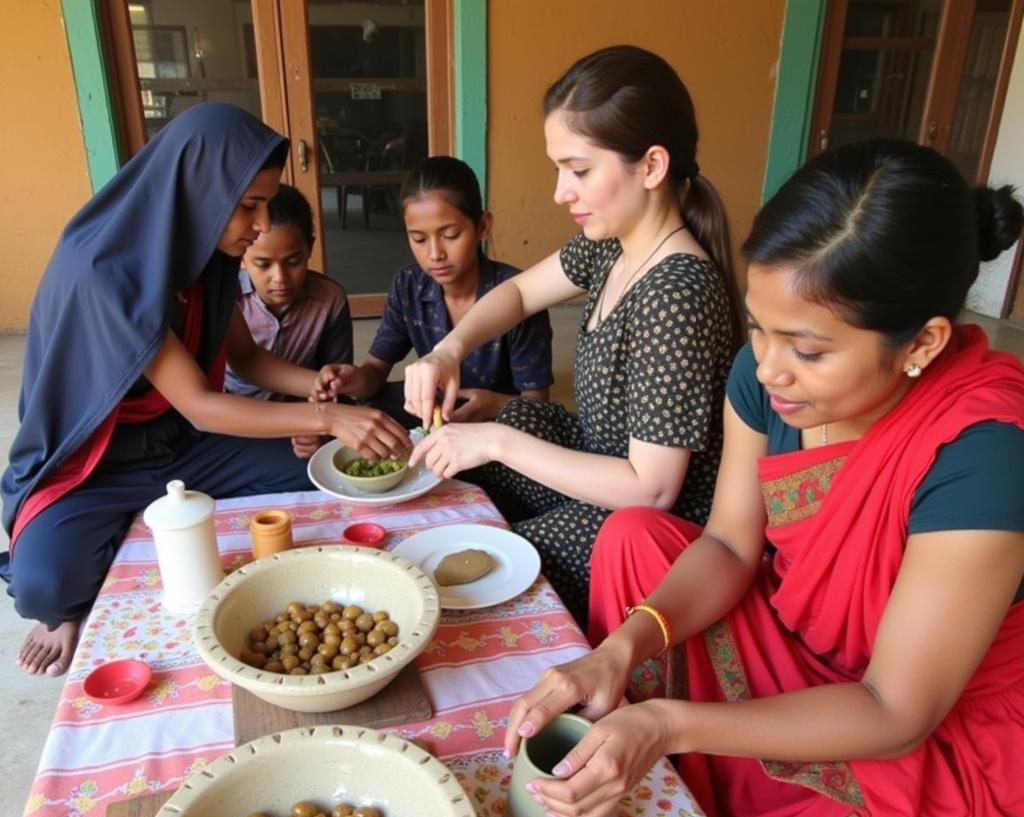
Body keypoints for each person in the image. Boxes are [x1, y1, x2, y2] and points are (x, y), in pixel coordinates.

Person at [503, 138, 1024, 817]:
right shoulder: (768, 375)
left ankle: (734, 781)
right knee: (636, 540)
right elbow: (732, 548)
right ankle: (715, 762)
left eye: (809, 350)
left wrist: (667, 722)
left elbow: (897, 712)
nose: (768, 368)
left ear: (923, 343)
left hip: (915, 713)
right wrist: (621, 649)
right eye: (758, 329)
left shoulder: (985, 452)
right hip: (807, 649)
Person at [1, 102, 410, 677]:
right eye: (248, 207)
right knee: (45, 587)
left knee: (320, 469)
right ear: (196, 190)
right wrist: (326, 419)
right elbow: (200, 401)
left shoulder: (205, 254)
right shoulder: (104, 273)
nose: (261, 224)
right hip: (98, 463)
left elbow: (244, 356)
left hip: (179, 444)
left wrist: (318, 386)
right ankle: (83, 581)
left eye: (266, 204)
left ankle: (135, 526)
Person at [401, 47, 743, 621]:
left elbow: (651, 490)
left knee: (498, 555)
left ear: (653, 167)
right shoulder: (614, 243)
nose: (562, 191)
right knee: (501, 434)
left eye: (579, 170)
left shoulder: (676, 291)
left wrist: (493, 443)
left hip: (648, 523)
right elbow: (516, 294)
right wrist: (447, 349)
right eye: (559, 168)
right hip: (600, 464)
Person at [321, 155, 553, 426]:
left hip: (499, 418)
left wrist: (491, 405)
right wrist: (353, 380)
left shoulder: (518, 294)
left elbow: (537, 404)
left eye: (451, 235)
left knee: (539, 432)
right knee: (349, 414)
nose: (435, 254)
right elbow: (375, 372)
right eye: (418, 238)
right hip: (437, 408)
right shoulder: (409, 285)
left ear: (482, 227)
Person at [228, 183, 353, 400]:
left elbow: (337, 382)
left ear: (310, 248)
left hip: (304, 407)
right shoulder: (227, 297)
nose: (280, 277)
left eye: (293, 261)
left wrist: (319, 415)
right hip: (236, 412)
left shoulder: (330, 299)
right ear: (241, 256)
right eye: (263, 264)